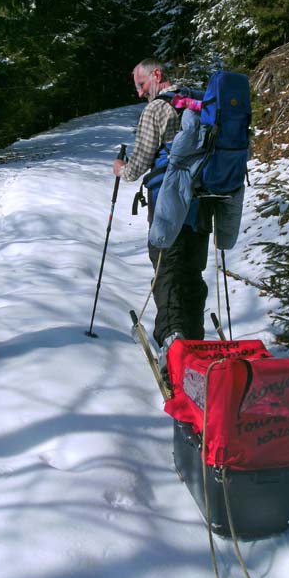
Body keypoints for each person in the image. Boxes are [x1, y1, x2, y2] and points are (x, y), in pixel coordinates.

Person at [113, 58, 210, 367]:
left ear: (156, 75)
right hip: (203, 203)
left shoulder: (157, 109)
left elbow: (137, 166)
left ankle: (172, 342)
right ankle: (194, 339)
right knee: (192, 272)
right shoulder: (200, 101)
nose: (141, 93)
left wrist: (121, 170)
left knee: (166, 270)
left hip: (169, 202)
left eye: (141, 85)